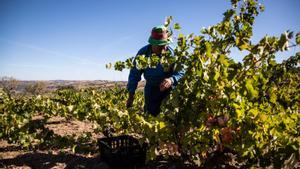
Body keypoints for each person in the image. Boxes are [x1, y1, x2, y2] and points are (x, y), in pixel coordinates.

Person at [126, 25, 184, 116]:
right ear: (152, 43)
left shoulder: (173, 54)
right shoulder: (143, 54)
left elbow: (180, 72)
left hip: (169, 90)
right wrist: (131, 95)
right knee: (150, 116)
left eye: (164, 45)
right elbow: (134, 74)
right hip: (151, 89)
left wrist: (171, 80)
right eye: (159, 46)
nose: (162, 48)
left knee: (169, 118)